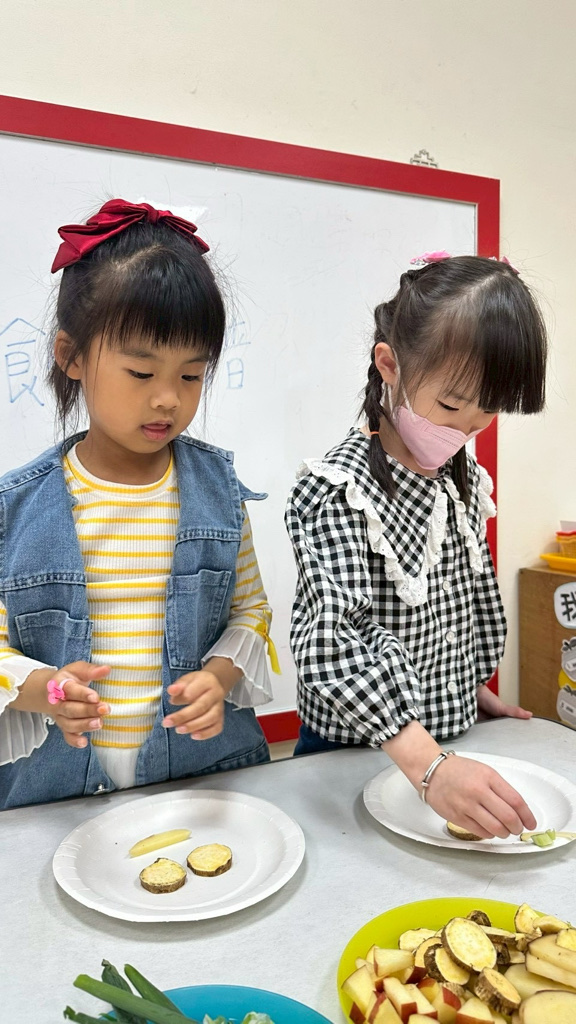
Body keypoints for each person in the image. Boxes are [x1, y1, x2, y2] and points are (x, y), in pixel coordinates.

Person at [0, 199, 278, 810]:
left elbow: (251, 610)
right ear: (71, 355)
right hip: (57, 798)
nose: (167, 400)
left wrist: (218, 679)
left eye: (190, 376)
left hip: (202, 779)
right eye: (140, 373)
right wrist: (46, 689)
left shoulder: (219, 490)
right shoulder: (14, 507)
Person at [286, 253, 547, 840]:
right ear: (389, 365)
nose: (463, 430)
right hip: (355, 754)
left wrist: (464, 687)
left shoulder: (461, 475)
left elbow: (453, 602)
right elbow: (332, 643)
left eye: (487, 413)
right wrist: (429, 766)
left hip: (447, 748)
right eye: (451, 406)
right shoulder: (337, 490)